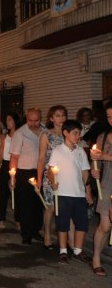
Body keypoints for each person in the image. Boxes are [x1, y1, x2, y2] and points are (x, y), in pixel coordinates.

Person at [48, 119, 91, 264]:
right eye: (75, 133)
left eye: (79, 133)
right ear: (65, 133)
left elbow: (85, 172)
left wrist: (88, 191)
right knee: (63, 223)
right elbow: (51, 170)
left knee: (81, 223)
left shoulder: (81, 152)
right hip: (62, 194)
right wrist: (53, 182)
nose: (78, 136)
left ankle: (78, 250)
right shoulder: (57, 150)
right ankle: (63, 251)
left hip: (78, 194)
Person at [9, 108, 44, 245]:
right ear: (26, 118)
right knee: (25, 204)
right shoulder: (20, 133)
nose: (33, 123)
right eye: (30, 120)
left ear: (40, 119)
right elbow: (14, 156)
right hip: (24, 172)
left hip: (40, 171)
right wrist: (13, 176)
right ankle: (26, 233)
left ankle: (36, 230)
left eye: (36, 120)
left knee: (38, 203)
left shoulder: (44, 131)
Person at [36, 105, 67, 250]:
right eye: (58, 115)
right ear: (51, 118)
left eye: (63, 115)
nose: (61, 118)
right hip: (51, 175)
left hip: (67, 175)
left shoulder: (68, 133)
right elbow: (41, 158)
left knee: (64, 206)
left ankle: (64, 235)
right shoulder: (46, 135)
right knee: (50, 207)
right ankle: (47, 234)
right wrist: (39, 178)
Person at [89, 103, 112, 276]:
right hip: (107, 183)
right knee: (105, 225)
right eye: (109, 116)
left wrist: (105, 156)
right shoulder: (103, 137)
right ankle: (96, 258)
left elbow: (103, 156)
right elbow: (95, 159)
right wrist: (94, 168)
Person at [0, 112, 21, 229]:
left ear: (15, 121)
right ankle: (1, 218)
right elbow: (1, 152)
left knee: (17, 193)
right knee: (3, 193)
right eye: (6, 120)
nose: (7, 122)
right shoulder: (4, 136)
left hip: (18, 165)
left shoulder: (21, 135)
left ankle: (18, 219)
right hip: (5, 164)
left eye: (10, 119)